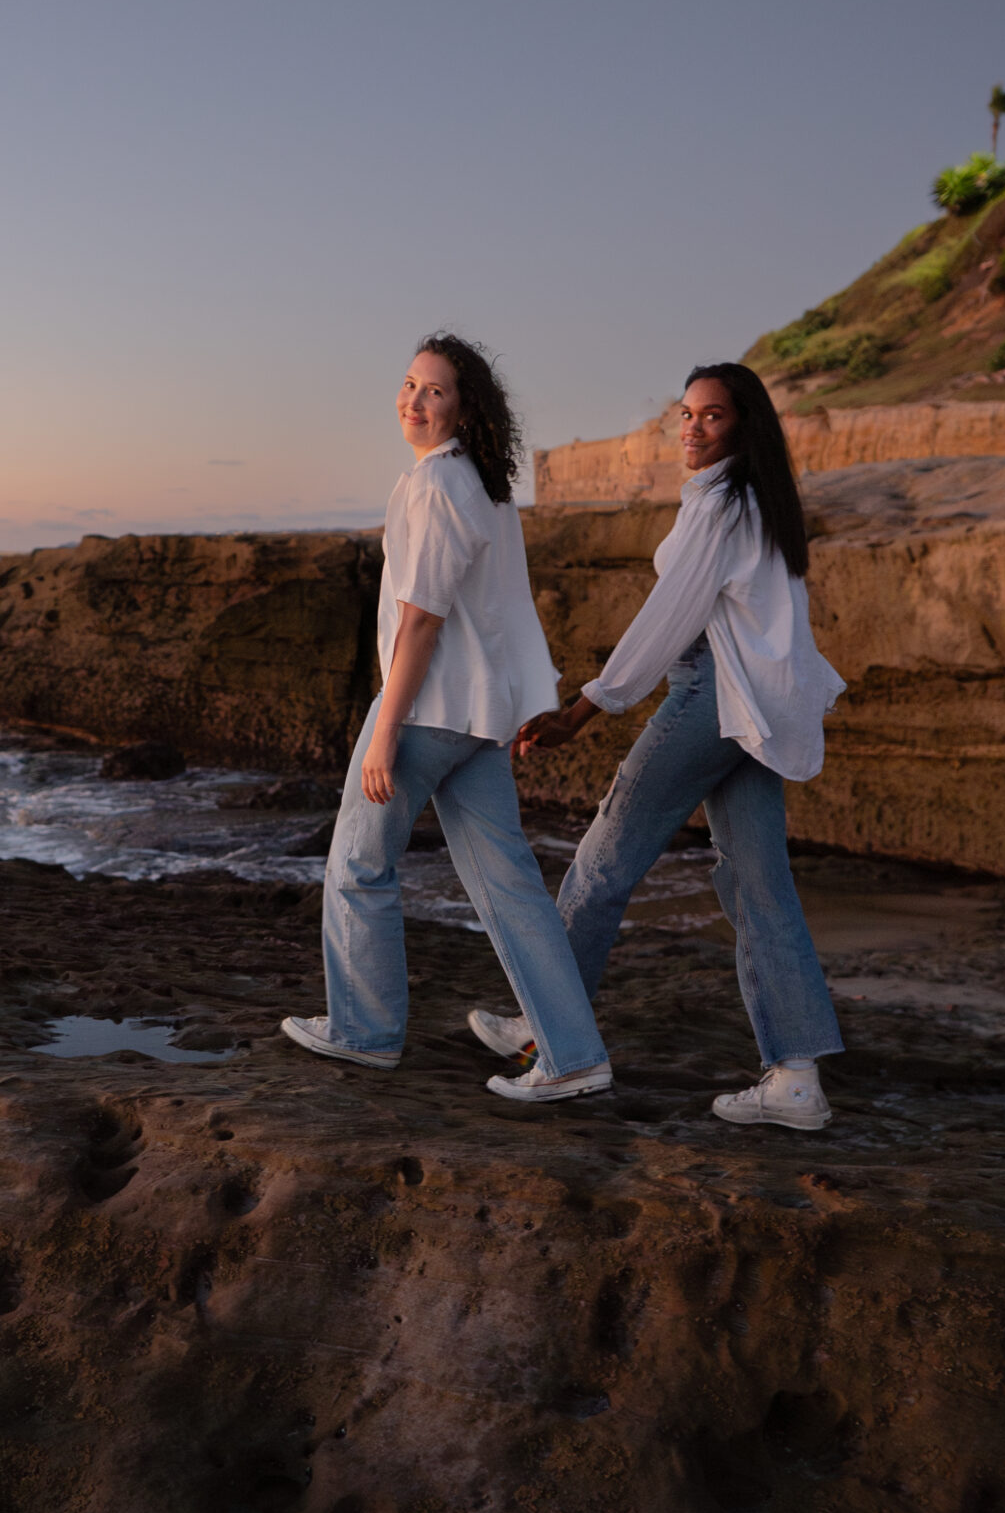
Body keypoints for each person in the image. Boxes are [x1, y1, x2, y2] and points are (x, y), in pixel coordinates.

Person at [501, 362, 847, 1130]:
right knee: (761, 886)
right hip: (754, 706)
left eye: (712, 416)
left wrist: (586, 708)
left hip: (713, 697)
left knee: (602, 859)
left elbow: (667, 618)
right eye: (685, 414)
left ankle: (553, 1038)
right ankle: (795, 1077)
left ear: (743, 427)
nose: (692, 428)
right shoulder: (756, 502)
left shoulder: (722, 506)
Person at [280, 333, 613, 1102]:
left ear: (465, 408)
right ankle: (574, 1052)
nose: (414, 401)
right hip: (479, 718)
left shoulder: (437, 485)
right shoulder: (486, 487)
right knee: (511, 887)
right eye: (408, 385)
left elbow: (420, 622)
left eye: (434, 390)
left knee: (359, 865)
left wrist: (384, 728)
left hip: (427, 709)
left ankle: (364, 1031)